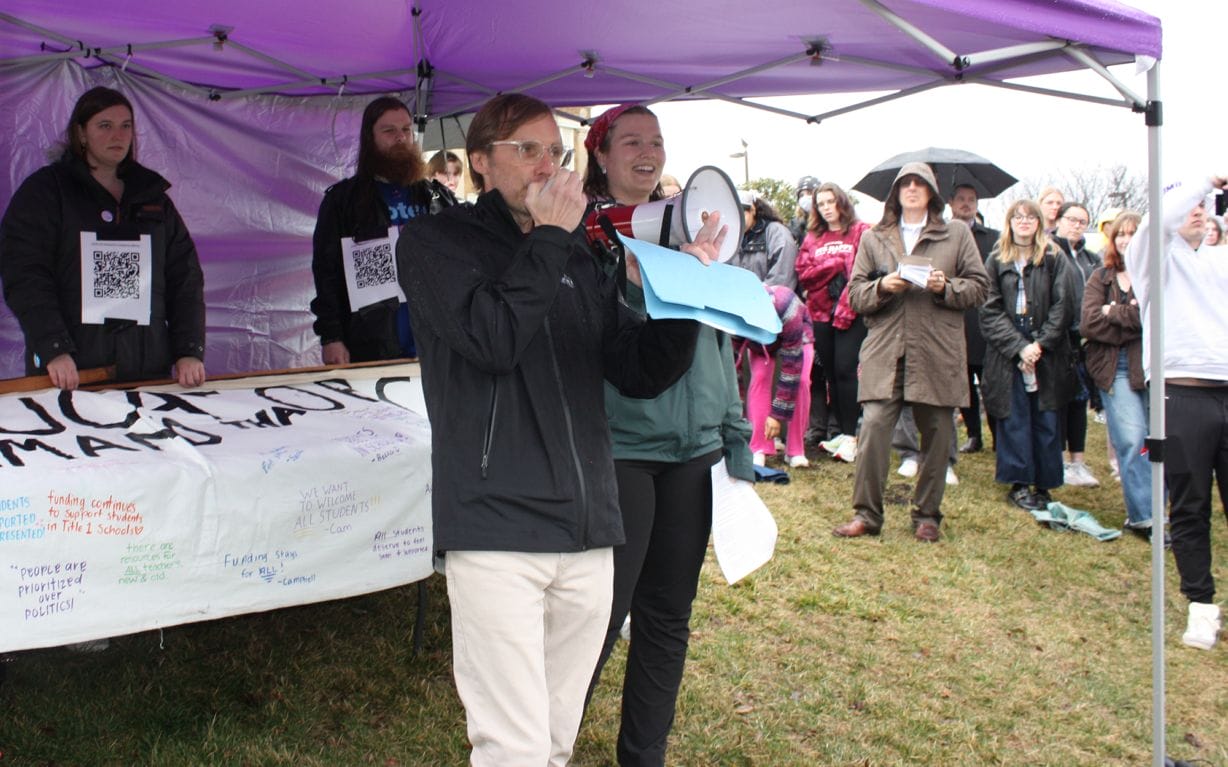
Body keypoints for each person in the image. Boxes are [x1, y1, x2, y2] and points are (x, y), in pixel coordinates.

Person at [397, 93, 713, 766]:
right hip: (496, 526)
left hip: (588, 523)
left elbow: (635, 368)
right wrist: (546, 238)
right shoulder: (435, 243)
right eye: (528, 149)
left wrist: (681, 299)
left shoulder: (575, 251)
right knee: (510, 745)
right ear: (481, 162)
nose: (548, 166)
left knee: (551, 742)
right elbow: (492, 338)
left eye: (556, 152)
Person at [581, 102, 752, 767]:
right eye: (631, 141)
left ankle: (643, 753)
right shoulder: (585, 235)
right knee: (597, 616)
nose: (647, 152)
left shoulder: (694, 226)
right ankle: (543, 741)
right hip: (621, 445)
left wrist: (732, 430)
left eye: (656, 140)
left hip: (693, 449)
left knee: (667, 613)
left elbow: (717, 336)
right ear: (601, 153)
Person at [0, 86, 205, 390]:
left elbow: (184, 277)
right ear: (81, 133)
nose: (118, 136)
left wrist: (189, 350)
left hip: (146, 371)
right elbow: (25, 274)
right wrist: (54, 348)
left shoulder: (153, 197)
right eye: (105, 126)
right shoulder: (46, 192)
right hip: (73, 372)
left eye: (126, 126)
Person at [832, 162, 989, 542]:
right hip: (887, 348)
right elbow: (854, 296)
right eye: (906, 183)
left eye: (921, 183)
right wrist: (884, 285)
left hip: (937, 349)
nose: (913, 189)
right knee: (873, 427)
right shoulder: (875, 237)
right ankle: (866, 514)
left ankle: (927, 516)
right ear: (896, 192)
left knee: (937, 431)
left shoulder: (955, 234)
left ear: (933, 193)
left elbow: (980, 288)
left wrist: (944, 286)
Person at [1126, 174, 1228, 650]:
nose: (1198, 211)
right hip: (1181, 395)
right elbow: (1158, 220)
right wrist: (1205, 178)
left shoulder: (1219, 259)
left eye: (1205, 205)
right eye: (1191, 204)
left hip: (1225, 388)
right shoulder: (1152, 259)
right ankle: (1201, 606)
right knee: (1190, 506)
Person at [310, 96, 455, 366]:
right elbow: (326, 273)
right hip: (370, 342)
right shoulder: (342, 201)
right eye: (389, 131)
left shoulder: (438, 197)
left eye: (406, 130)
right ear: (370, 138)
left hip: (436, 343)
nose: (400, 138)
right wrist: (332, 336)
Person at [979, 199, 1076, 511]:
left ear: (1038, 222)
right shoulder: (996, 259)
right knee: (1014, 416)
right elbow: (989, 308)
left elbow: (1064, 305)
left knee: (1047, 415)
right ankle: (1019, 483)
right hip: (1008, 343)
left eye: (1030, 217)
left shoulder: (1053, 257)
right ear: (1009, 222)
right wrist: (1017, 347)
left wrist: (1040, 344)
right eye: (1017, 217)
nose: (1024, 222)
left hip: (1046, 343)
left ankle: (1045, 483)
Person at [1081, 211, 1153, 537]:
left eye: (1132, 234)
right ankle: (1143, 517)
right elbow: (1090, 324)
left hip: (1152, 367)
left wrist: (1115, 313)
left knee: (1160, 442)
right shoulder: (1101, 278)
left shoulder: (1155, 276)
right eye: (1120, 234)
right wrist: (1133, 318)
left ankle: (1160, 509)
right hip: (1116, 368)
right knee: (1132, 440)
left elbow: (1157, 321)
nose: (1126, 240)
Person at [795, 181, 871, 461]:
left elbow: (863, 272)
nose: (827, 208)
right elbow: (804, 274)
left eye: (830, 202)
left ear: (842, 202)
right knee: (830, 374)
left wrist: (835, 276)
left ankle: (852, 435)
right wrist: (835, 265)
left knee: (846, 370)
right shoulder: (813, 236)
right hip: (819, 313)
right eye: (821, 204)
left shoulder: (861, 231)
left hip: (852, 313)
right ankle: (841, 433)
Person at [1051, 201, 1103, 487]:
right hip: (1058, 337)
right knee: (1059, 400)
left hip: (1085, 339)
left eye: (1082, 221)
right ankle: (1057, 460)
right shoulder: (1049, 251)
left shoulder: (1091, 258)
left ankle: (1078, 462)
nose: (1076, 225)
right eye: (1071, 219)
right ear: (1059, 220)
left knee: (1079, 401)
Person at [949, 183, 1000, 453]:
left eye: (971, 200)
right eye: (961, 199)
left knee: (990, 381)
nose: (966, 204)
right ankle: (973, 434)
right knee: (964, 381)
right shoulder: (943, 235)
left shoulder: (992, 238)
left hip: (987, 316)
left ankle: (997, 435)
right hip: (957, 316)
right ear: (951, 203)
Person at [739, 284, 813, 468]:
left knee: (802, 381)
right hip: (759, 343)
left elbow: (791, 369)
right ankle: (758, 447)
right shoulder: (738, 311)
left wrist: (776, 415)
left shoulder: (787, 307)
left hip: (797, 335)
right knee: (760, 378)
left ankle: (795, 449)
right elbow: (734, 362)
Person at [727, 190, 798, 290]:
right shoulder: (729, 238)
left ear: (753, 210)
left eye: (740, 211)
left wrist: (759, 298)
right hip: (738, 302)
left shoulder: (776, 233)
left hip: (771, 302)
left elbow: (783, 275)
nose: (737, 217)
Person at [789, 174, 820, 243]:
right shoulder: (795, 224)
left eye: (809, 193)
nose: (805, 197)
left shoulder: (828, 220)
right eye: (801, 195)